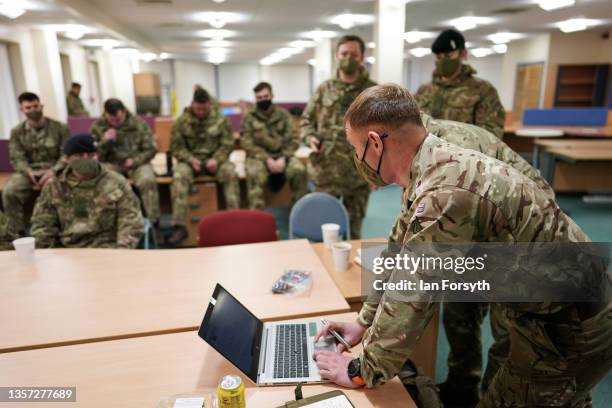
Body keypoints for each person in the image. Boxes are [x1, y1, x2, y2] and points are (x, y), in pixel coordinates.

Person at [313, 84, 611, 408]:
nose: (357, 159)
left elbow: (411, 293)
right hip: (558, 306)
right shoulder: (430, 165)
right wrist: (362, 323)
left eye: (355, 148)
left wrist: (361, 370)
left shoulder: (445, 192)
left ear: (374, 142)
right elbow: (397, 251)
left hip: (569, 328)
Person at [301, 34, 376, 239]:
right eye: (344, 53)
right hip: (326, 174)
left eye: (354, 54)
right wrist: (310, 138)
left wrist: (377, 173)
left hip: (358, 176)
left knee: (353, 235)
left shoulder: (372, 91)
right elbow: (306, 121)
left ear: (362, 57)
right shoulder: (324, 89)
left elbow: (382, 134)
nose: (348, 58)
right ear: (336, 56)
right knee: (323, 231)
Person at [31, 134, 143, 248]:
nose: (86, 159)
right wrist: (48, 256)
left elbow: (130, 221)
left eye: (91, 155)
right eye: (79, 155)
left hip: (108, 249)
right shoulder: (55, 186)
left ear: (97, 156)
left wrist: (120, 252)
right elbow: (43, 225)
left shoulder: (116, 182)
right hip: (68, 251)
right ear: (67, 159)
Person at [169, 88, 235, 245]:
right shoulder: (181, 121)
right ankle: (179, 225)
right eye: (197, 108)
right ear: (192, 104)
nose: (200, 112)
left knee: (230, 173)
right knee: (179, 176)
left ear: (209, 105)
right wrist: (190, 159)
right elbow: (176, 147)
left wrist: (217, 159)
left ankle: (234, 219)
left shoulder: (220, 119)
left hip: (215, 160)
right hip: (191, 161)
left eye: (204, 109)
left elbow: (228, 143)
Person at [415, 29, 505, 139]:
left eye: (449, 55)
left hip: (463, 154)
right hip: (425, 153)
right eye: (438, 57)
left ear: (463, 54)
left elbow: (491, 135)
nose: (443, 61)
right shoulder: (424, 91)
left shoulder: (482, 90)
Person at [2, 92, 70, 236]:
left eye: (35, 106)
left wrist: (53, 170)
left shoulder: (59, 128)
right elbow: (16, 156)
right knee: (9, 192)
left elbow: (67, 154)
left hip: (55, 170)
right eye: (28, 108)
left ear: (41, 105)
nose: (33, 110)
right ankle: (17, 233)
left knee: (64, 188)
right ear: (22, 110)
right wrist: (28, 171)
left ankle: (64, 230)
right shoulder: (17, 132)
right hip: (28, 173)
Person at [90, 98, 160, 231]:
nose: (115, 123)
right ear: (105, 114)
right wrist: (105, 141)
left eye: (118, 119)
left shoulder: (138, 123)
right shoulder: (98, 127)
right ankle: (109, 225)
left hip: (136, 163)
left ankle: (153, 223)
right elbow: (94, 156)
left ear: (123, 112)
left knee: (147, 180)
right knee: (104, 181)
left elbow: (151, 149)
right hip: (112, 163)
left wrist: (135, 160)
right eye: (111, 120)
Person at [239, 82, 307, 208]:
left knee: (299, 171)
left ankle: (298, 212)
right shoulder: (249, 117)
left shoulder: (283, 115)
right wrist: (267, 159)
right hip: (258, 157)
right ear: (255, 98)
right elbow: (246, 142)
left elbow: (294, 139)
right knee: (254, 174)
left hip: (282, 155)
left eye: (266, 96)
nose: (263, 100)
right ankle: (257, 217)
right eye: (259, 98)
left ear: (272, 95)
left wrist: (284, 157)